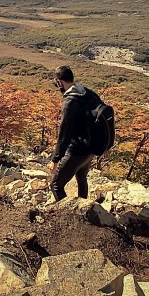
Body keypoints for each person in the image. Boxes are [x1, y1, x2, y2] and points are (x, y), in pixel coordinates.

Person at [49, 65, 95, 201]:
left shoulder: (70, 102)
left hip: (78, 150)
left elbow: (64, 134)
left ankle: (68, 215)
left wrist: (55, 159)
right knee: (81, 178)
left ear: (59, 82)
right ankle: (85, 209)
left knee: (56, 184)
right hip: (91, 148)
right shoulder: (87, 93)